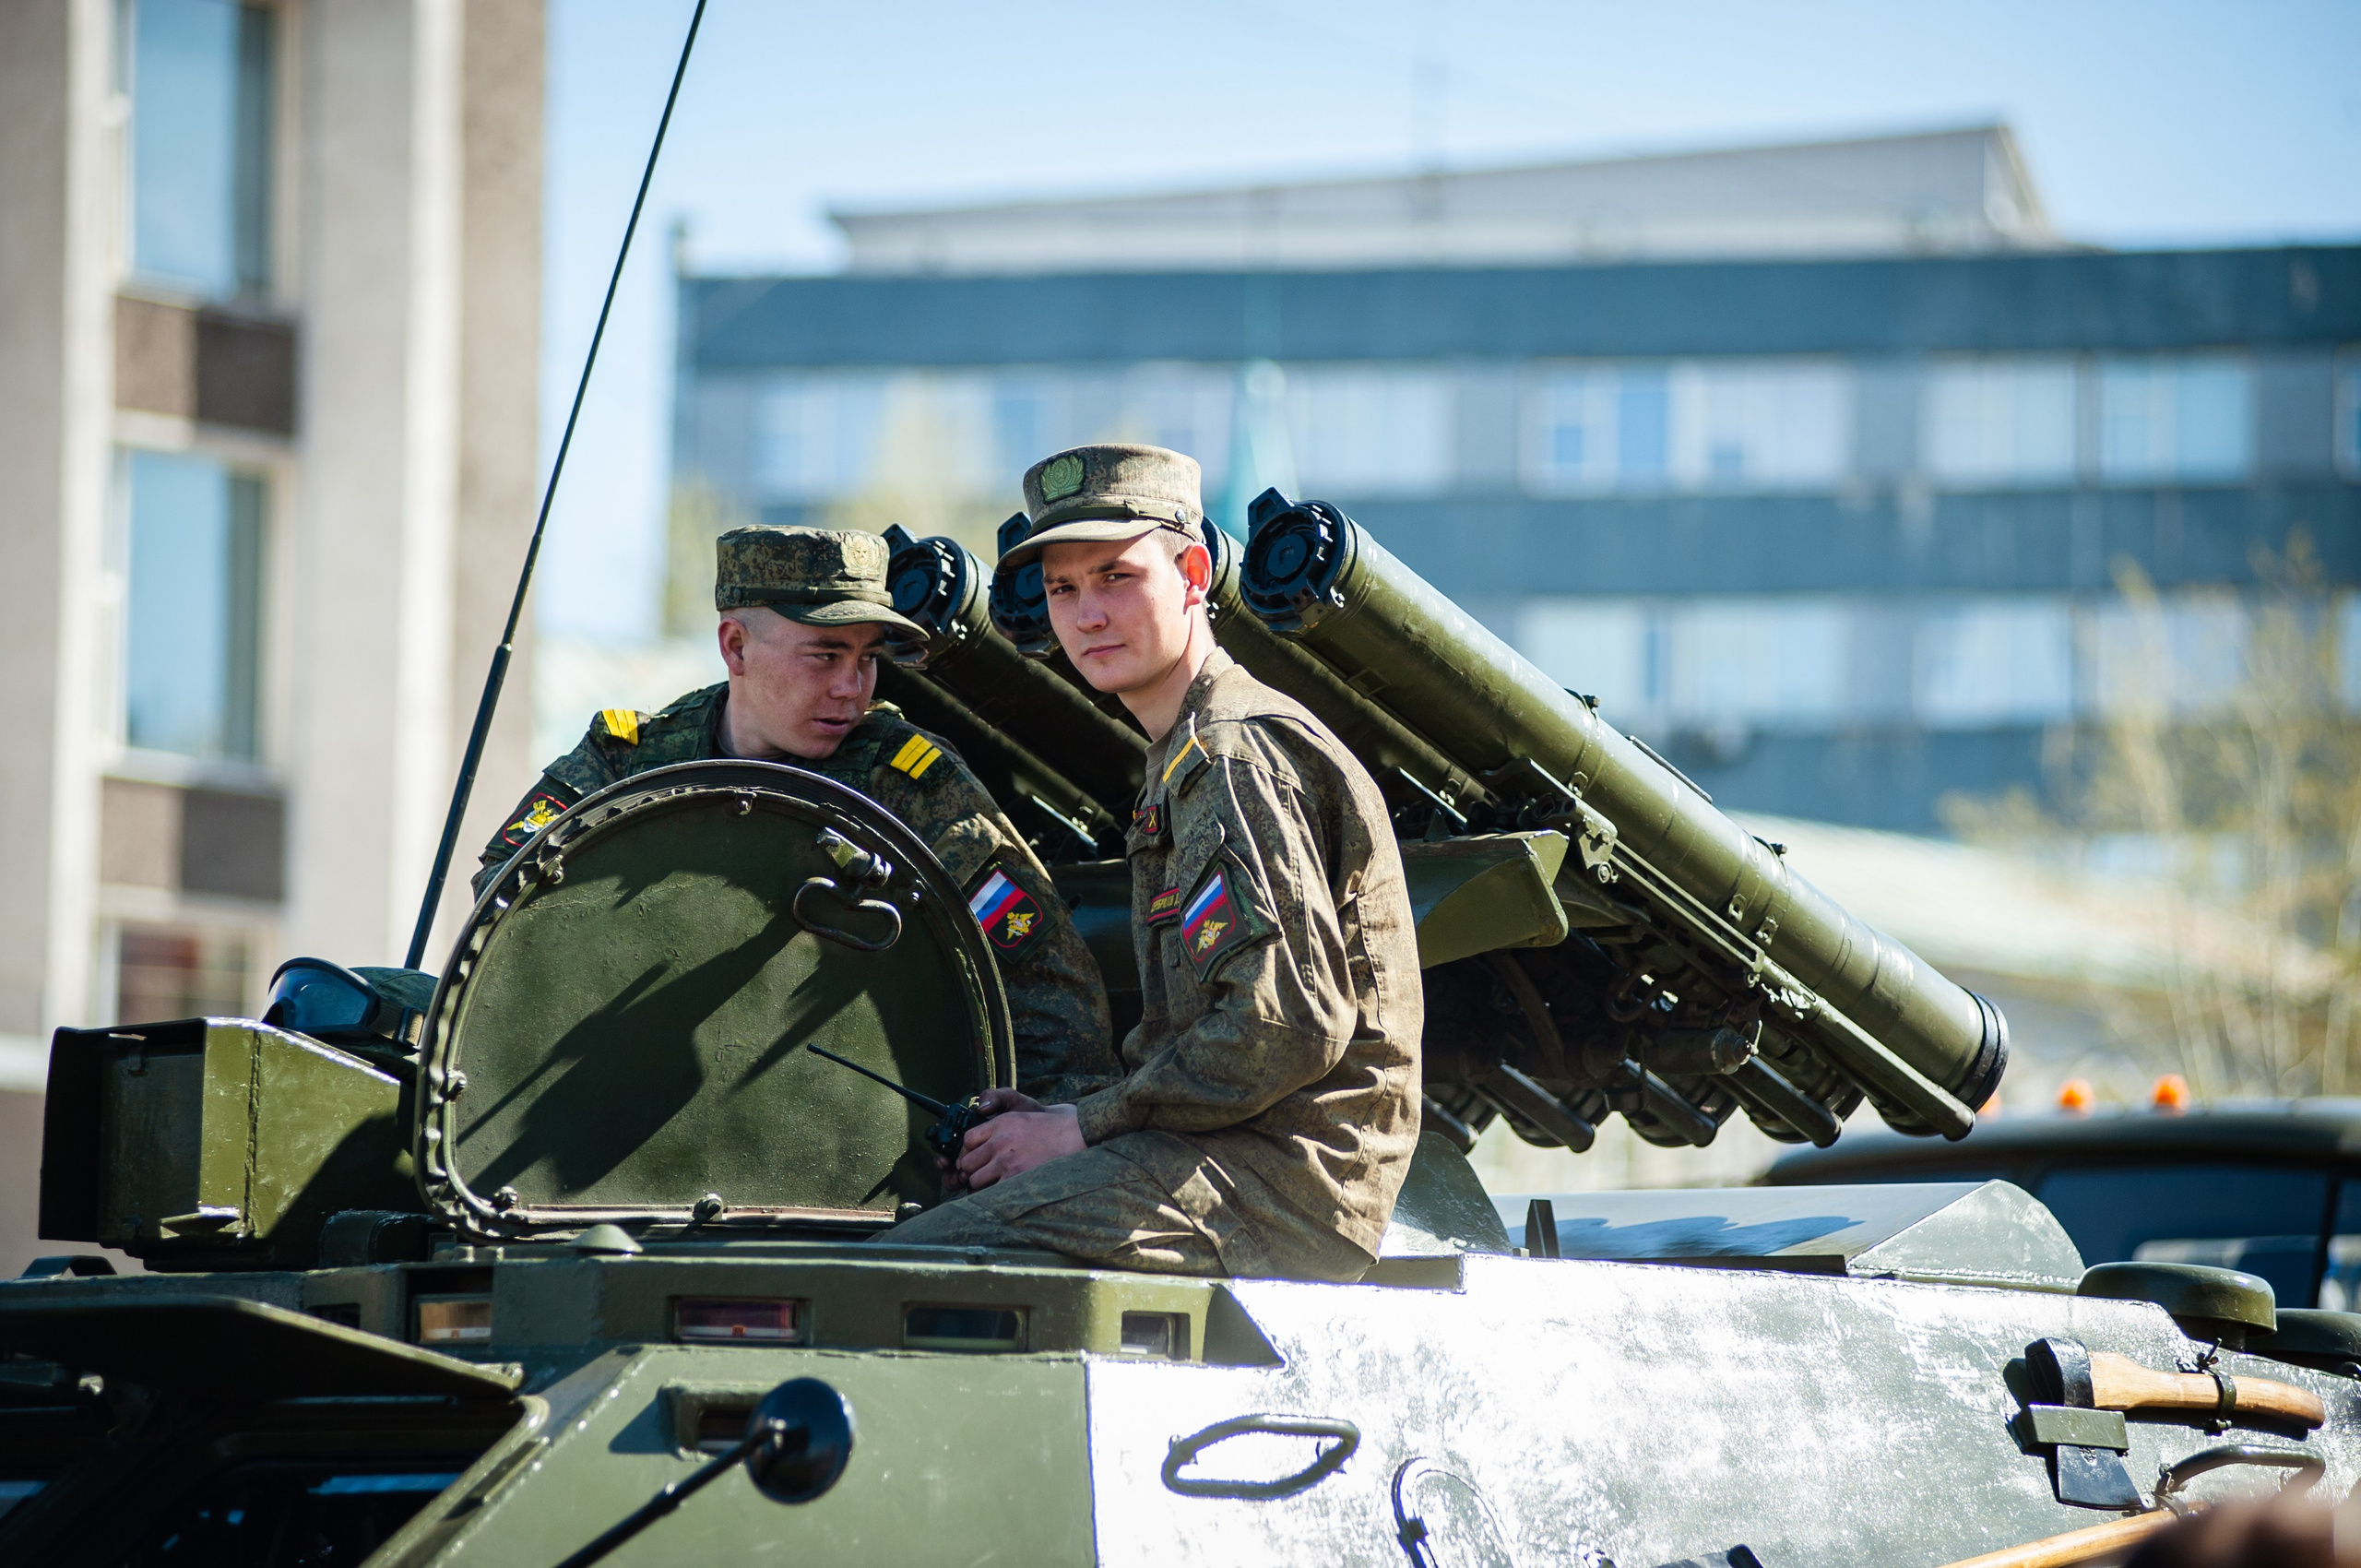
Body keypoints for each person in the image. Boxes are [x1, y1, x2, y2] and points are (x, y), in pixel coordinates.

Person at [887, 444, 1422, 1282]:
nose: (1087, 615)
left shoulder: (1233, 758)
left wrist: (1080, 1129)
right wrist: (1064, 1118)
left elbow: (1286, 1027)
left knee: (906, 1269)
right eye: (1062, 589)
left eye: (1115, 577)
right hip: (1229, 1158)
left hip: (1284, 1185)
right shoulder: (1183, 754)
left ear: (1195, 572)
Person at [476, 524, 1115, 1105]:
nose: (852, 687)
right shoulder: (628, 764)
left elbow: (1048, 987)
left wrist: (1041, 1130)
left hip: (848, 1137)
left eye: (868, 659)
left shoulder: (906, 785)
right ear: (735, 647)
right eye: (825, 655)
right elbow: (504, 899)